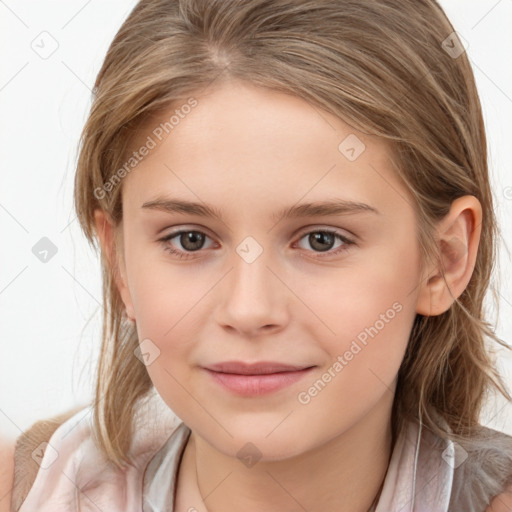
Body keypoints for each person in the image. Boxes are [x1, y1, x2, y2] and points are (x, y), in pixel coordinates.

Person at [8, 0, 512, 510]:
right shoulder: (28, 489)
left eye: (322, 240)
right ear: (119, 261)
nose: (248, 310)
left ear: (444, 259)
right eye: (190, 239)